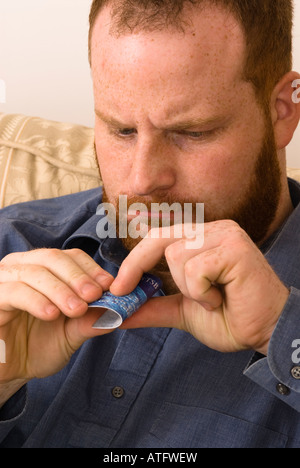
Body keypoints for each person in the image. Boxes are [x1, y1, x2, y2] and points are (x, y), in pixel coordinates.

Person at [0, 0, 300, 448]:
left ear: (282, 111)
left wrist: (282, 332)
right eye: (121, 130)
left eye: (192, 132)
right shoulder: (13, 245)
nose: (142, 180)